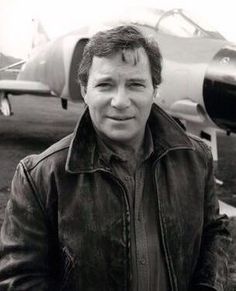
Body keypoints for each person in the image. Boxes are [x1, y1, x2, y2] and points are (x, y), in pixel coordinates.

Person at [0, 25, 231, 291]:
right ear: (85, 92)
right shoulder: (39, 178)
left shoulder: (197, 159)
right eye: (105, 85)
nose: (120, 101)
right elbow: (20, 279)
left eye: (135, 84)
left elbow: (214, 233)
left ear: (154, 90)